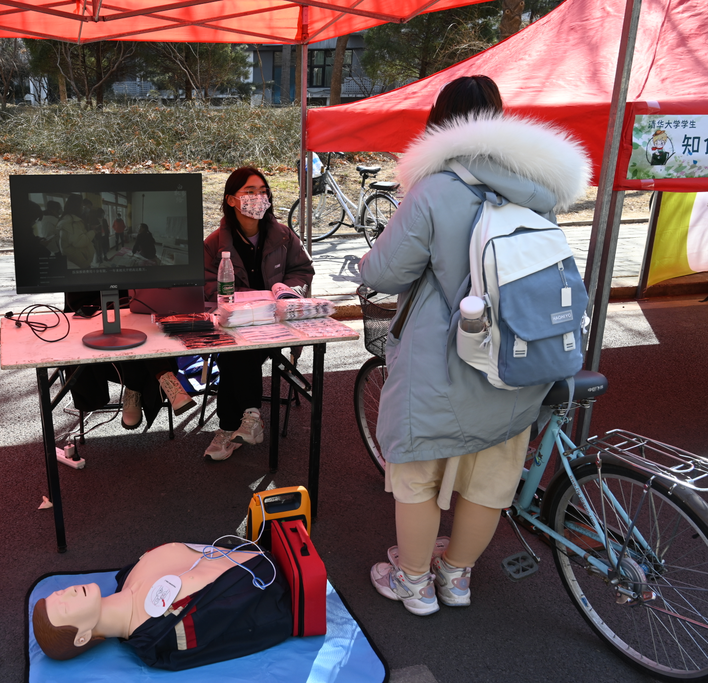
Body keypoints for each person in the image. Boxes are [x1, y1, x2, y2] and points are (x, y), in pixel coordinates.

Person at [358, 76, 590, 615]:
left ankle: (414, 583)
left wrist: (365, 265)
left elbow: (386, 272)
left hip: (439, 361)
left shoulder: (435, 188)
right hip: (517, 357)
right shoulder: (537, 190)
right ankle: (456, 577)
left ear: (439, 124)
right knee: (491, 474)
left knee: (418, 472)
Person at [32, 542, 291, 670]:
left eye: (60, 592)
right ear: (82, 637)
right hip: (279, 578)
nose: (70, 592)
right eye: (65, 607)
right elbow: (256, 615)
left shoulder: (129, 576)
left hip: (262, 550)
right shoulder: (161, 634)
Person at [202, 167, 314, 461]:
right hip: (235, 323)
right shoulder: (214, 244)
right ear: (231, 200)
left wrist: (286, 290)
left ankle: (230, 427)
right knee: (236, 349)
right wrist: (235, 304)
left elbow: (303, 271)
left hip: (275, 322)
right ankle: (249, 417)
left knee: (235, 355)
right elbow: (205, 286)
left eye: (263, 191)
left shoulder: (284, 237)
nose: (258, 197)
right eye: (249, 192)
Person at [63, 291, 195, 427]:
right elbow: (78, 302)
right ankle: (162, 377)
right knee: (123, 320)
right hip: (95, 314)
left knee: (139, 321)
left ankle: (138, 386)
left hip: (141, 312)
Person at [58, 194, 96, 269]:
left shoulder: (68, 219)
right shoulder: (72, 221)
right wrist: (93, 232)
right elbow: (80, 241)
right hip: (78, 261)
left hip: (78, 258)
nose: (82, 209)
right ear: (76, 207)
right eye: (81, 206)